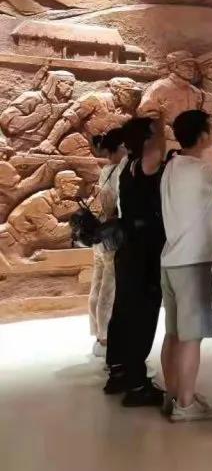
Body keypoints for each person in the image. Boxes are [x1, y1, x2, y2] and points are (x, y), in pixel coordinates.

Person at [159, 110, 212, 422]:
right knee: (191, 337)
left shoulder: (172, 166)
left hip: (172, 260)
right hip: (194, 262)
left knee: (173, 333)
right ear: (202, 136)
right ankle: (186, 405)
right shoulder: (203, 172)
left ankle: (174, 395)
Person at [104, 117, 168, 407]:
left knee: (124, 310)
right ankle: (137, 384)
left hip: (130, 247)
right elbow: (156, 151)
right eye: (158, 134)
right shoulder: (146, 164)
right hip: (144, 250)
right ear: (147, 141)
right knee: (141, 315)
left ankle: (118, 371)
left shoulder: (128, 165)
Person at [88, 130, 127, 359]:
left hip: (101, 232)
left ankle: (97, 333)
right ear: (120, 147)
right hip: (113, 235)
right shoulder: (121, 170)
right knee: (109, 288)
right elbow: (117, 206)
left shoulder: (105, 170)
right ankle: (105, 337)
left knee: (98, 282)